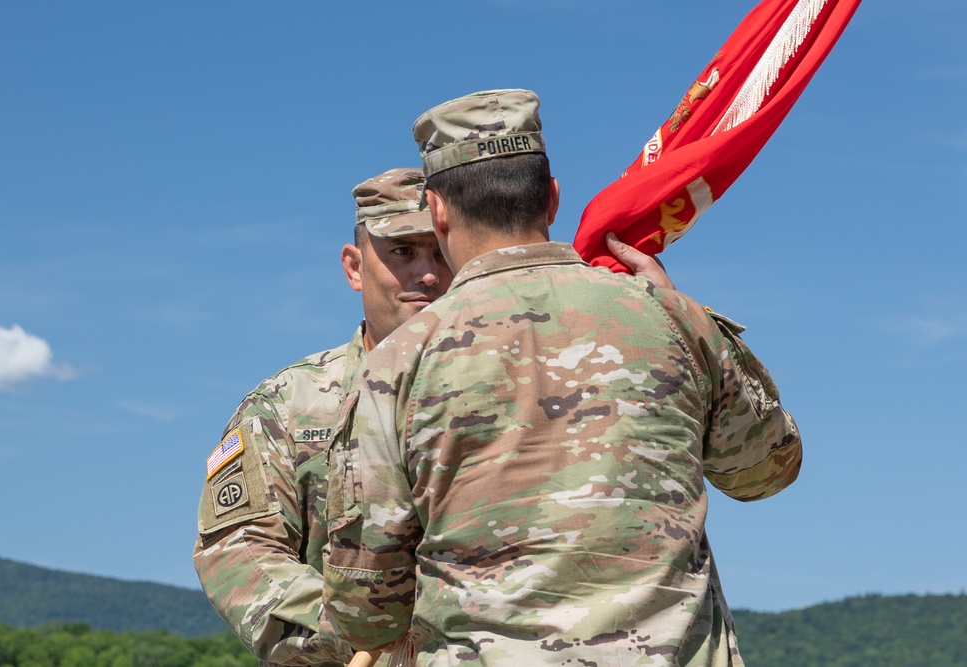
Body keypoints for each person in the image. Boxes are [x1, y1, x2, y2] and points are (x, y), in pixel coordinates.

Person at [322, 90, 802, 666]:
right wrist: (675, 317)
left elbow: (365, 609)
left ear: (438, 210)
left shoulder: (395, 364)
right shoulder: (673, 318)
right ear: (551, 198)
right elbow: (766, 470)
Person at [192, 165, 676, 666]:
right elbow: (241, 551)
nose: (427, 274)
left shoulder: (542, 377)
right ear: (354, 267)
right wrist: (356, 634)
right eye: (402, 252)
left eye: (439, 253)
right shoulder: (290, 403)